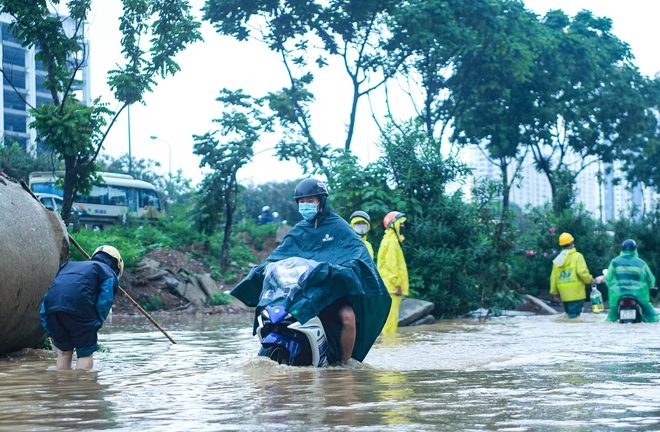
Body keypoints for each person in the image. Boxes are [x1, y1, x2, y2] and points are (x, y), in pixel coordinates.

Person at [231, 178, 390, 364]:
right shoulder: (298, 230)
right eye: (301, 202)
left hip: (330, 291)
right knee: (271, 312)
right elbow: (278, 256)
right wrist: (263, 268)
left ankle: (345, 365)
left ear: (321, 201)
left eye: (310, 201)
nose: (305, 205)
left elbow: (357, 253)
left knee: (348, 317)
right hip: (300, 293)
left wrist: (339, 269)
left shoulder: (339, 227)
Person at [39, 245, 123, 370]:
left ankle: (62, 386)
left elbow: (51, 295)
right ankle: (82, 388)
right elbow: (104, 302)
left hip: (52, 310)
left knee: (64, 351)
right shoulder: (107, 272)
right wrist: (95, 324)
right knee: (85, 352)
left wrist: (49, 327)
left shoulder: (67, 266)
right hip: (79, 307)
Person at [605, 239, 658, 323]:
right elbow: (650, 279)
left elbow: (608, 279)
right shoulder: (641, 263)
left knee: (610, 319)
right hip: (639, 296)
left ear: (622, 249)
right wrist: (651, 285)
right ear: (635, 249)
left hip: (618, 297)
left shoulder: (614, 262)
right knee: (652, 317)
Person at [550, 232, 596, 319]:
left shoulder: (557, 260)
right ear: (571, 243)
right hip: (576, 294)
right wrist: (590, 280)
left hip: (564, 295)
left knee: (568, 316)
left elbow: (554, 277)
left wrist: (554, 292)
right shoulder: (577, 256)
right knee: (575, 318)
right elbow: (582, 272)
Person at [377, 211, 409, 334]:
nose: (402, 227)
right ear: (393, 225)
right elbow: (392, 266)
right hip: (391, 286)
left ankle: (389, 346)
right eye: (400, 224)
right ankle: (390, 346)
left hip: (389, 285)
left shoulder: (390, 240)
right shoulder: (391, 241)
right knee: (390, 321)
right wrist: (397, 284)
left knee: (390, 319)